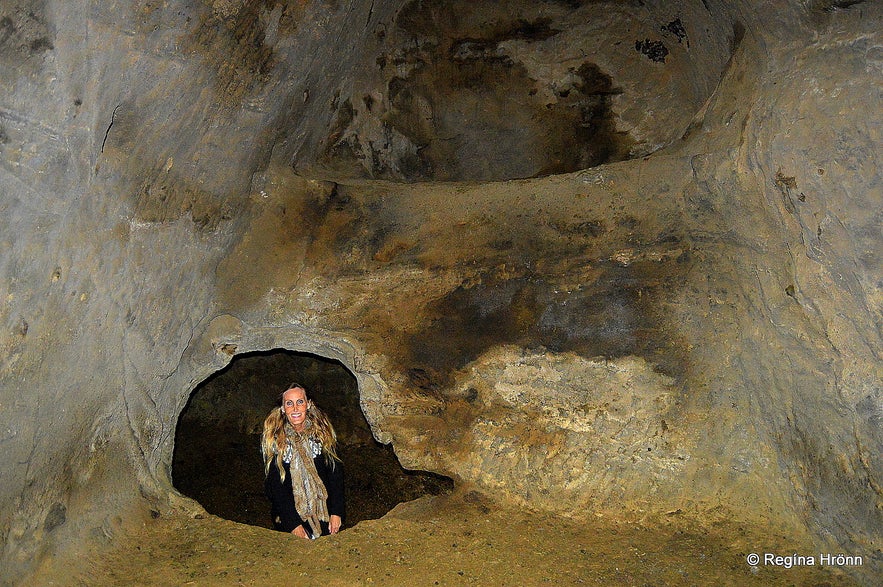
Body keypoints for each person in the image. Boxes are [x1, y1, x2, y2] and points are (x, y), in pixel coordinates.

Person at [261, 383, 345, 538]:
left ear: (308, 404)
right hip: (290, 517)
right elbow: (275, 487)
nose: (295, 408)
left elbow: (335, 475)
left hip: (323, 513)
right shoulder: (275, 441)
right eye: (289, 403)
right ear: (282, 408)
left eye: (300, 402)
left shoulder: (322, 435)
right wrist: (293, 524)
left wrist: (336, 512)